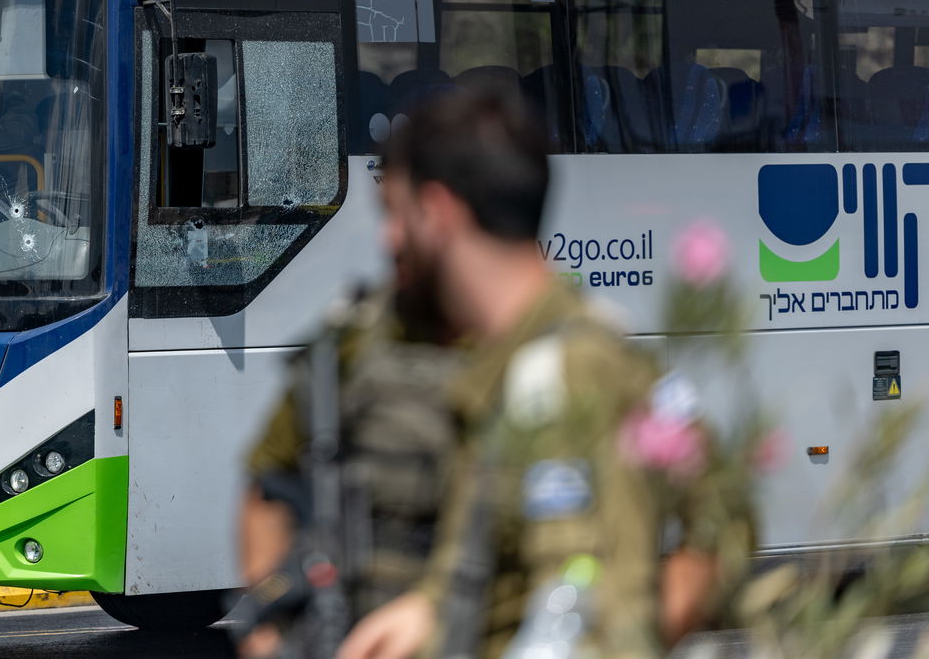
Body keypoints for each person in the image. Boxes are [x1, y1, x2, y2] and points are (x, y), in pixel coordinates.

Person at [239, 87, 737, 659]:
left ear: (439, 213)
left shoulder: (587, 361)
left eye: (397, 218)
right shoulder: (406, 344)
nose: (387, 241)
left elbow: (716, 520)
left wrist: (631, 640)